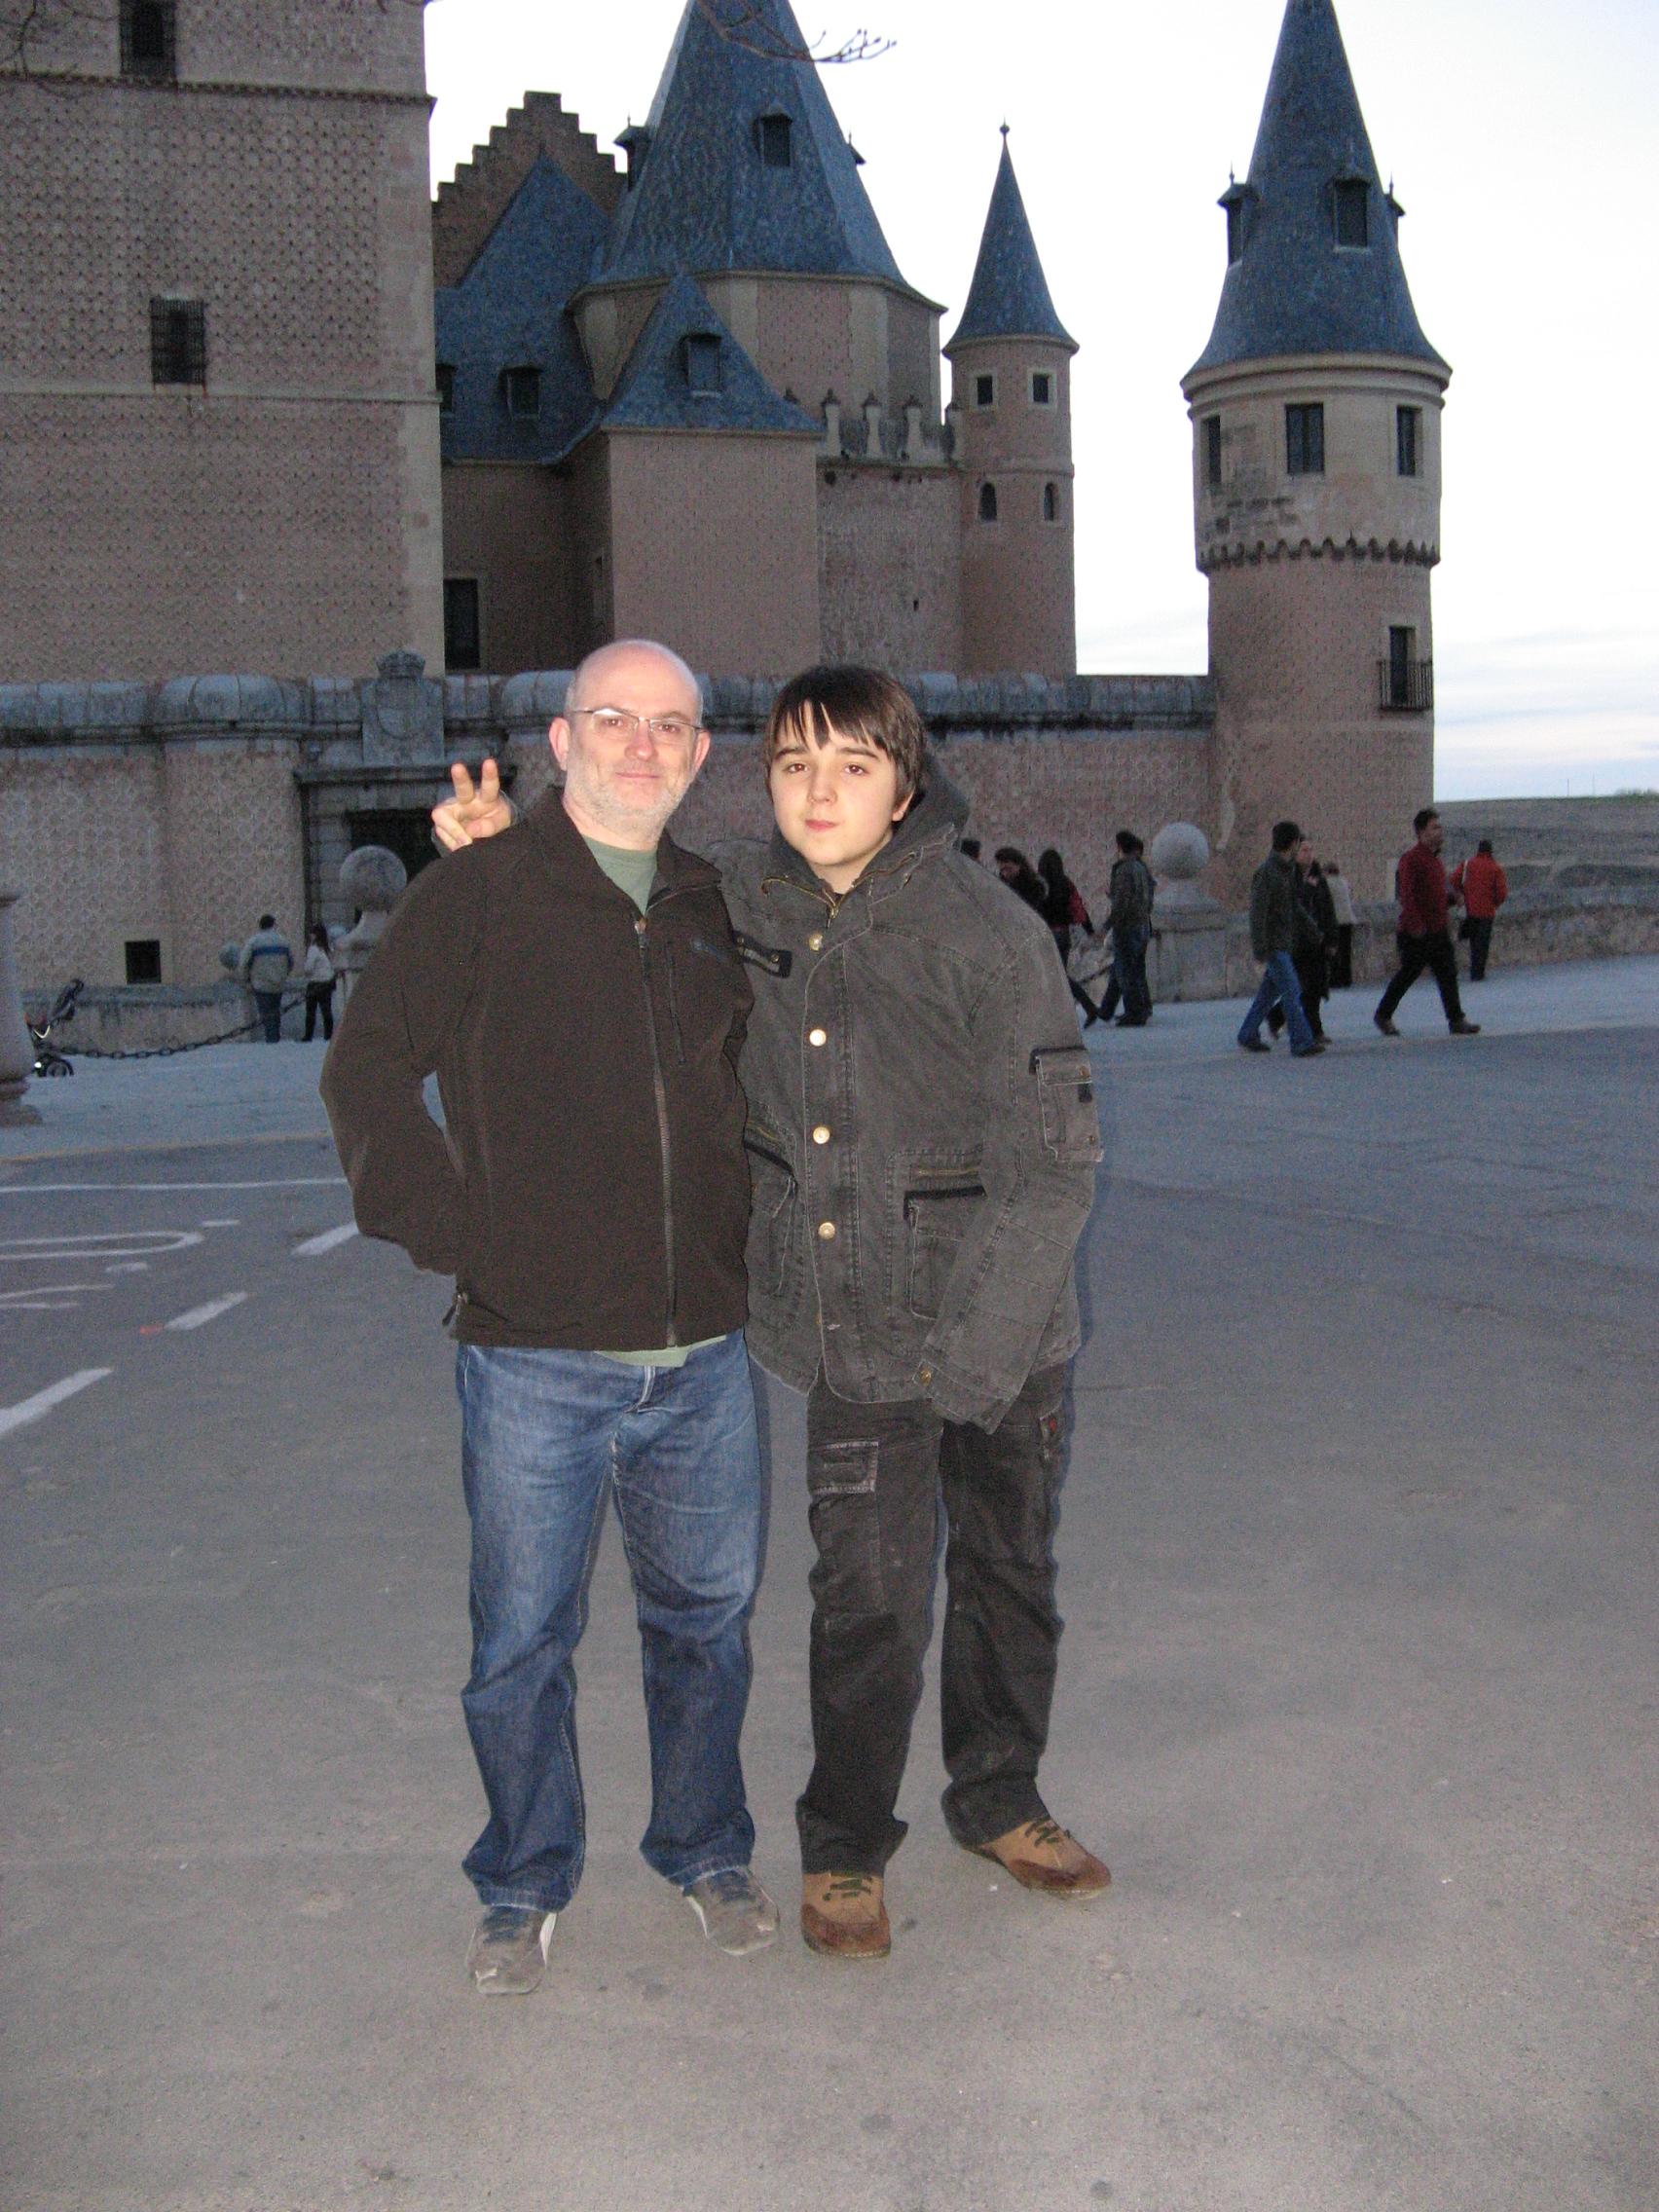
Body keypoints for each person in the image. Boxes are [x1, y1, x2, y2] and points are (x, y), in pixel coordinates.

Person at [437, 667, 1111, 1965]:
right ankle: (847, 1843)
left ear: (904, 787)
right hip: (851, 1333)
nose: (820, 791)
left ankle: (998, 1796)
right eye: (796, 764)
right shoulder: (733, 894)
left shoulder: (990, 933)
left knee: (1008, 1579)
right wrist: (507, 837)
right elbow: (610, 870)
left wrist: (971, 1367)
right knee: (865, 1601)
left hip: (1006, 1332)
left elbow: (1053, 1167)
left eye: (853, 766)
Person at [321, 640, 779, 2000]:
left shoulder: (716, 904)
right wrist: (457, 1231)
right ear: (563, 741)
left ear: (700, 755)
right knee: (519, 1644)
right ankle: (521, 1881)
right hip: (533, 1357)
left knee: (706, 1627)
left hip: (703, 1353)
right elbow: (366, 1072)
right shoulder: (479, 892)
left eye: (670, 725)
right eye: (613, 718)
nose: (642, 744)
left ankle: (705, 1847)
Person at [1375, 808, 1482, 1039]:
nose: (1439, 831)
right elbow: (1407, 895)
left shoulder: (1435, 861)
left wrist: (1452, 899)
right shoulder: (1411, 859)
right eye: (1434, 827)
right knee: (1408, 974)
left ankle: (1456, 1019)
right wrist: (1415, 926)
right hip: (1417, 932)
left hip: (1437, 929)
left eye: (1439, 827)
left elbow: (1435, 896)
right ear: (1422, 832)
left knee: (1448, 973)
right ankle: (1383, 1015)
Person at [1237, 820, 1325, 1057]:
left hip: (1283, 943)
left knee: (1267, 995)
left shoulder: (1286, 872)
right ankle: (1301, 1041)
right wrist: (1259, 948)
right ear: (1294, 843)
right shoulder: (1267, 872)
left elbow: (1293, 906)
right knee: (1292, 991)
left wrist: (1312, 930)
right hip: (1274, 945)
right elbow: (1258, 913)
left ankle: (1247, 1033)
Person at [1267, 839, 1333, 1044]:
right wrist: (1307, 890)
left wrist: (1332, 937)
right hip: (1296, 943)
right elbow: (1292, 907)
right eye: (1304, 850)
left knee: (1312, 988)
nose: (1309, 854)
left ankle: (1277, 1017)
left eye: (1311, 850)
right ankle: (1313, 1031)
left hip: (1315, 941)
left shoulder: (1318, 878)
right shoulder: (1289, 878)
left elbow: (1328, 909)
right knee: (1302, 988)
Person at [1037, 846, 1104, 1027]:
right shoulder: (1066, 884)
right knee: (1058, 976)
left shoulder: (1039, 885)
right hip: (1064, 935)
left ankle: (1086, 1007)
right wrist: (1090, 931)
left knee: (1054, 977)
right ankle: (1080, 1009)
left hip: (1047, 934)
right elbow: (1078, 909)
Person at [1101, 831, 1154, 1027]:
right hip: (1141, 924)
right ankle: (1107, 1009)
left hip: (1127, 926)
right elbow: (1145, 897)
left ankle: (1135, 1012)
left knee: (1126, 972)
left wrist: (1107, 925)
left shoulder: (1124, 870)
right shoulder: (1141, 868)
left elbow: (1122, 903)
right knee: (1129, 969)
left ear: (1119, 846)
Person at [1450, 838, 1508, 981]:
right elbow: (1502, 893)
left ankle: (1474, 970)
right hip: (1487, 912)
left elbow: (1453, 880)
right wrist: (1494, 903)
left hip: (1471, 911)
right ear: (1490, 851)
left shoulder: (1467, 864)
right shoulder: (1495, 868)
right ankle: (1478, 972)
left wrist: (1461, 894)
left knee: (1474, 941)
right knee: (1483, 943)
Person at [239, 913, 292, 1044]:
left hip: (261, 984)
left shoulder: (254, 942)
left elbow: (243, 963)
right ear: (274, 924)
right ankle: (275, 1038)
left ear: (260, 926)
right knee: (276, 1012)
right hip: (278, 983)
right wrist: (283, 975)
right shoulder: (283, 941)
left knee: (266, 1014)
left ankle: (271, 1040)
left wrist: (246, 980)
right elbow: (291, 962)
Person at [301, 923, 336, 1043]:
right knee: (326, 1011)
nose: (310, 935)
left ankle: (308, 1035)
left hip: (315, 983)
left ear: (315, 935)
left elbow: (308, 968)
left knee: (310, 1012)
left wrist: (306, 971)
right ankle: (328, 1035)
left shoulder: (313, 949)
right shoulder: (328, 949)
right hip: (327, 983)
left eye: (312, 933)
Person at [1324, 861, 1356, 987]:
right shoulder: (1343, 881)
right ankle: (1347, 978)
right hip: (1348, 919)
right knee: (1346, 951)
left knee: (1335, 950)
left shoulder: (1328, 883)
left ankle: (1335, 979)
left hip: (1337, 920)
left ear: (1327, 872)